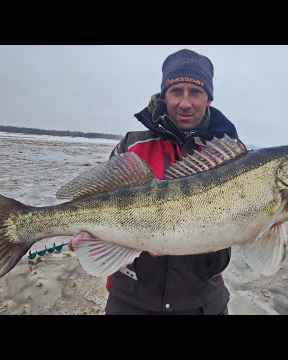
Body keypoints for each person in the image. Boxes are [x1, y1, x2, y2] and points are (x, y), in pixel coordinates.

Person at [70, 49, 242, 315]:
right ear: (165, 96)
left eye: (195, 92)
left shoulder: (228, 154)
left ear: (208, 98)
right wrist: (91, 238)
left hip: (202, 301)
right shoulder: (133, 146)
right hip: (131, 300)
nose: (185, 103)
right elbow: (98, 200)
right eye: (176, 91)